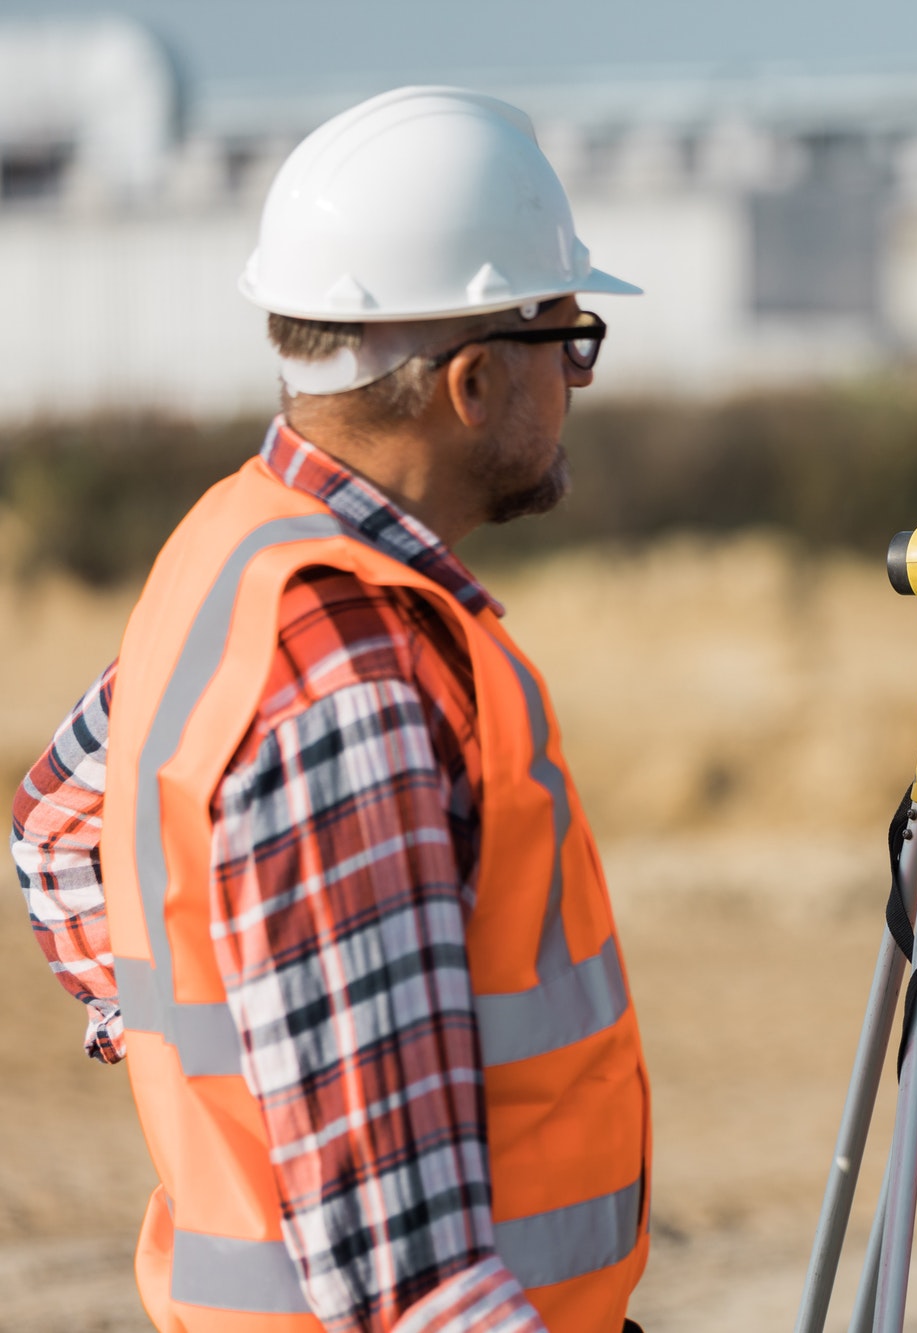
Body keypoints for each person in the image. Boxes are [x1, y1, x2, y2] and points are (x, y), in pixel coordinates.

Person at [11, 88, 650, 1332]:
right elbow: (413, 1283)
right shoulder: (348, 680)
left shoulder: (234, 550)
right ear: (473, 383)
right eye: (570, 340)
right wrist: (276, 1064)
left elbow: (53, 830)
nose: (579, 378)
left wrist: (240, 1062)